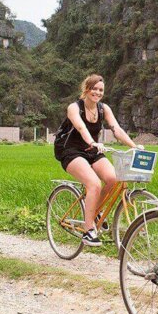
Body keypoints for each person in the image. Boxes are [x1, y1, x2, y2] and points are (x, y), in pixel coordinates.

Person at [54, 74, 142, 247]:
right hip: (71, 151)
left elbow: (116, 129)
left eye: (100, 90)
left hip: (92, 150)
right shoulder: (74, 107)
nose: (97, 92)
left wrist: (133, 146)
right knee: (94, 184)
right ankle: (88, 231)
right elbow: (80, 127)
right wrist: (93, 142)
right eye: (94, 88)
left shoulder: (103, 109)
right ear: (86, 89)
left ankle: (96, 211)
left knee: (113, 179)